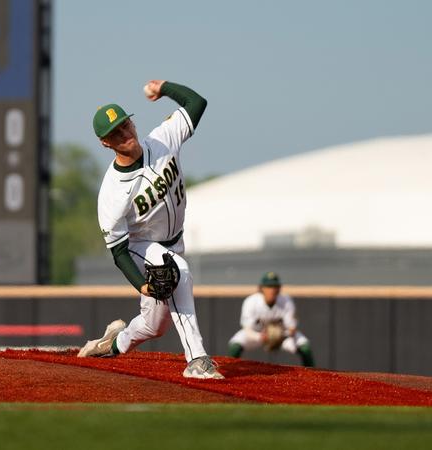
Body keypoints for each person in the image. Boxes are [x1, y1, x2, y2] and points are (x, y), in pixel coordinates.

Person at [77, 79, 224, 380]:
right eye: (114, 134)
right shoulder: (111, 193)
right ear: (106, 143)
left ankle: (112, 343)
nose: (123, 134)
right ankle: (196, 360)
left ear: (132, 122)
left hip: (175, 240)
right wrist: (142, 285)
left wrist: (165, 87)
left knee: (154, 325)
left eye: (124, 125)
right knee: (178, 269)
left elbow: (197, 104)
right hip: (142, 246)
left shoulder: (162, 140)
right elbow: (118, 251)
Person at [228, 272, 315, 367]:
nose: (272, 290)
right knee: (235, 345)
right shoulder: (251, 302)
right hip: (256, 334)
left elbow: (292, 328)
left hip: (282, 336)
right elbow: (247, 329)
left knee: (305, 347)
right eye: (269, 286)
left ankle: (313, 376)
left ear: (279, 288)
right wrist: (261, 337)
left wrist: (281, 335)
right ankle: (231, 374)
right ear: (261, 288)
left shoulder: (286, 301)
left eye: (275, 287)